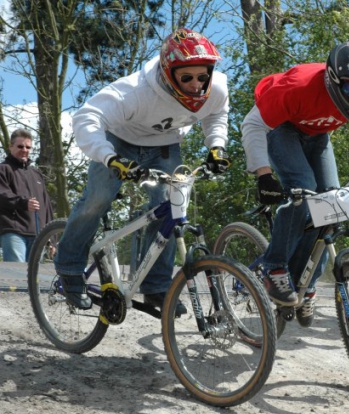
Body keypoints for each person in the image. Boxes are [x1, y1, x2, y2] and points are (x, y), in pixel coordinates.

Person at [54, 28, 231, 315]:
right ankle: (69, 268)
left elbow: (216, 115)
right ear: (168, 72)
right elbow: (87, 117)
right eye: (186, 78)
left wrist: (217, 146)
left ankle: (156, 287)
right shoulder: (135, 91)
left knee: (172, 211)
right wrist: (109, 158)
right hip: (117, 141)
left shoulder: (218, 88)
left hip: (164, 146)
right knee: (98, 200)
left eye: (202, 76)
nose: (196, 84)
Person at [241, 41, 349, 327]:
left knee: (332, 207)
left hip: (318, 136)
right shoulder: (298, 87)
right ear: (333, 80)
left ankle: (306, 282)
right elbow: (253, 125)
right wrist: (264, 174)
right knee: (303, 191)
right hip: (282, 129)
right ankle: (273, 267)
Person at [0, 129, 54, 262]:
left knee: (33, 279)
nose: (24, 150)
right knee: (17, 275)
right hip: (13, 231)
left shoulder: (36, 174)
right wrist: (23, 203)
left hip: (38, 235)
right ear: (10, 146)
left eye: (28, 147)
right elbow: (2, 194)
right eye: (20, 146)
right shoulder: (3, 169)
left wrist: (52, 238)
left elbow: (46, 207)